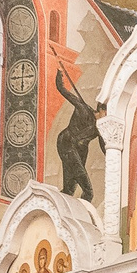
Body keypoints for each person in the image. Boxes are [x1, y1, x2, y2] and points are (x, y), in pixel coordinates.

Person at [54, 64, 106, 201]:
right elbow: (63, 91)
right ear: (100, 110)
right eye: (106, 114)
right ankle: (84, 214)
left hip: (81, 151)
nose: (107, 118)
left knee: (69, 189)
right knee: (88, 191)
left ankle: (60, 208)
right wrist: (59, 74)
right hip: (66, 143)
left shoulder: (100, 127)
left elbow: (104, 147)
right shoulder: (83, 109)